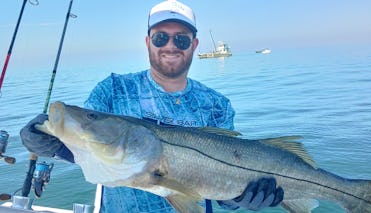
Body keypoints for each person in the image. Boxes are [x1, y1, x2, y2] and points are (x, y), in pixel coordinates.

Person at [20, 0, 284, 212]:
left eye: (180, 39)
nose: (170, 46)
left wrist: (240, 199)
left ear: (194, 45)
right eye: (160, 38)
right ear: (148, 42)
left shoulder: (217, 105)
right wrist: (52, 145)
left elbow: (223, 195)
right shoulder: (112, 90)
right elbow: (90, 149)